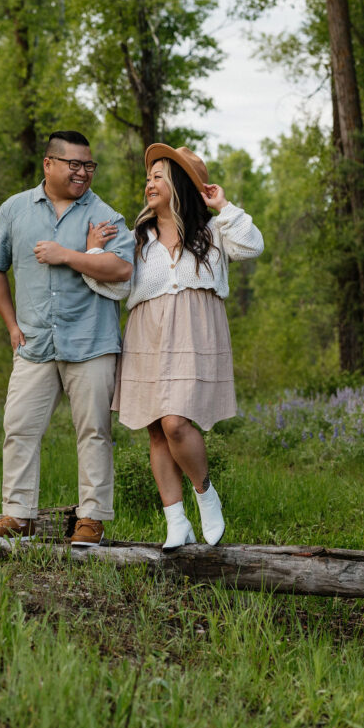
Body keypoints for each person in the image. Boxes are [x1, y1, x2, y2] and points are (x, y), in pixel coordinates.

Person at [84, 145, 263, 551]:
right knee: (157, 430)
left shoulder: (214, 234)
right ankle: (176, 521)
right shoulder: (138, 238)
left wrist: (223, 205)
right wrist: (95, 251)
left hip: (195, 335)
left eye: (159, 176)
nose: (149, 183)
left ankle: (205, 494)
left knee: (176, 423)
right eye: (148, 177)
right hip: (147, 335)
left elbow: (253, 246)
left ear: (181, 183)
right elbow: (112, 283)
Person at [0, 130, 134, 546]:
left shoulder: (104, 216)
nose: (83, 173)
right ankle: (18, 515)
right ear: (49, 164)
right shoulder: (14, 210)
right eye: (74, 165)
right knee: (19, 427)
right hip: (34, 344)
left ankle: (92, 519)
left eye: (89, 166)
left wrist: (68, 255)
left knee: (94, 430)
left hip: (91, 341)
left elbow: (121, 269)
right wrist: (11, 325)